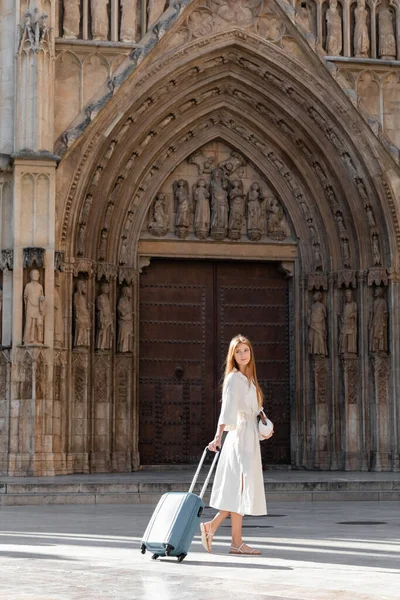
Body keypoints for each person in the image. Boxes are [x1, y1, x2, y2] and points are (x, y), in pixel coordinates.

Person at [201, 334, 274, 555]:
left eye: (246, 350)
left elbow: (255, 409)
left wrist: (265, 427)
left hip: (250, 436)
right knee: (240, 488)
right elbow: (228, 409)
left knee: (239, 489)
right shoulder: (233, 378)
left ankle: (234, 542)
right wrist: (217, 436)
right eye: (238, 351)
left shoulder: (249, 379)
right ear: (233, 355)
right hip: (240, 437)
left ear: (251, 353)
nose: (243, 354)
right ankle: (213, 527)